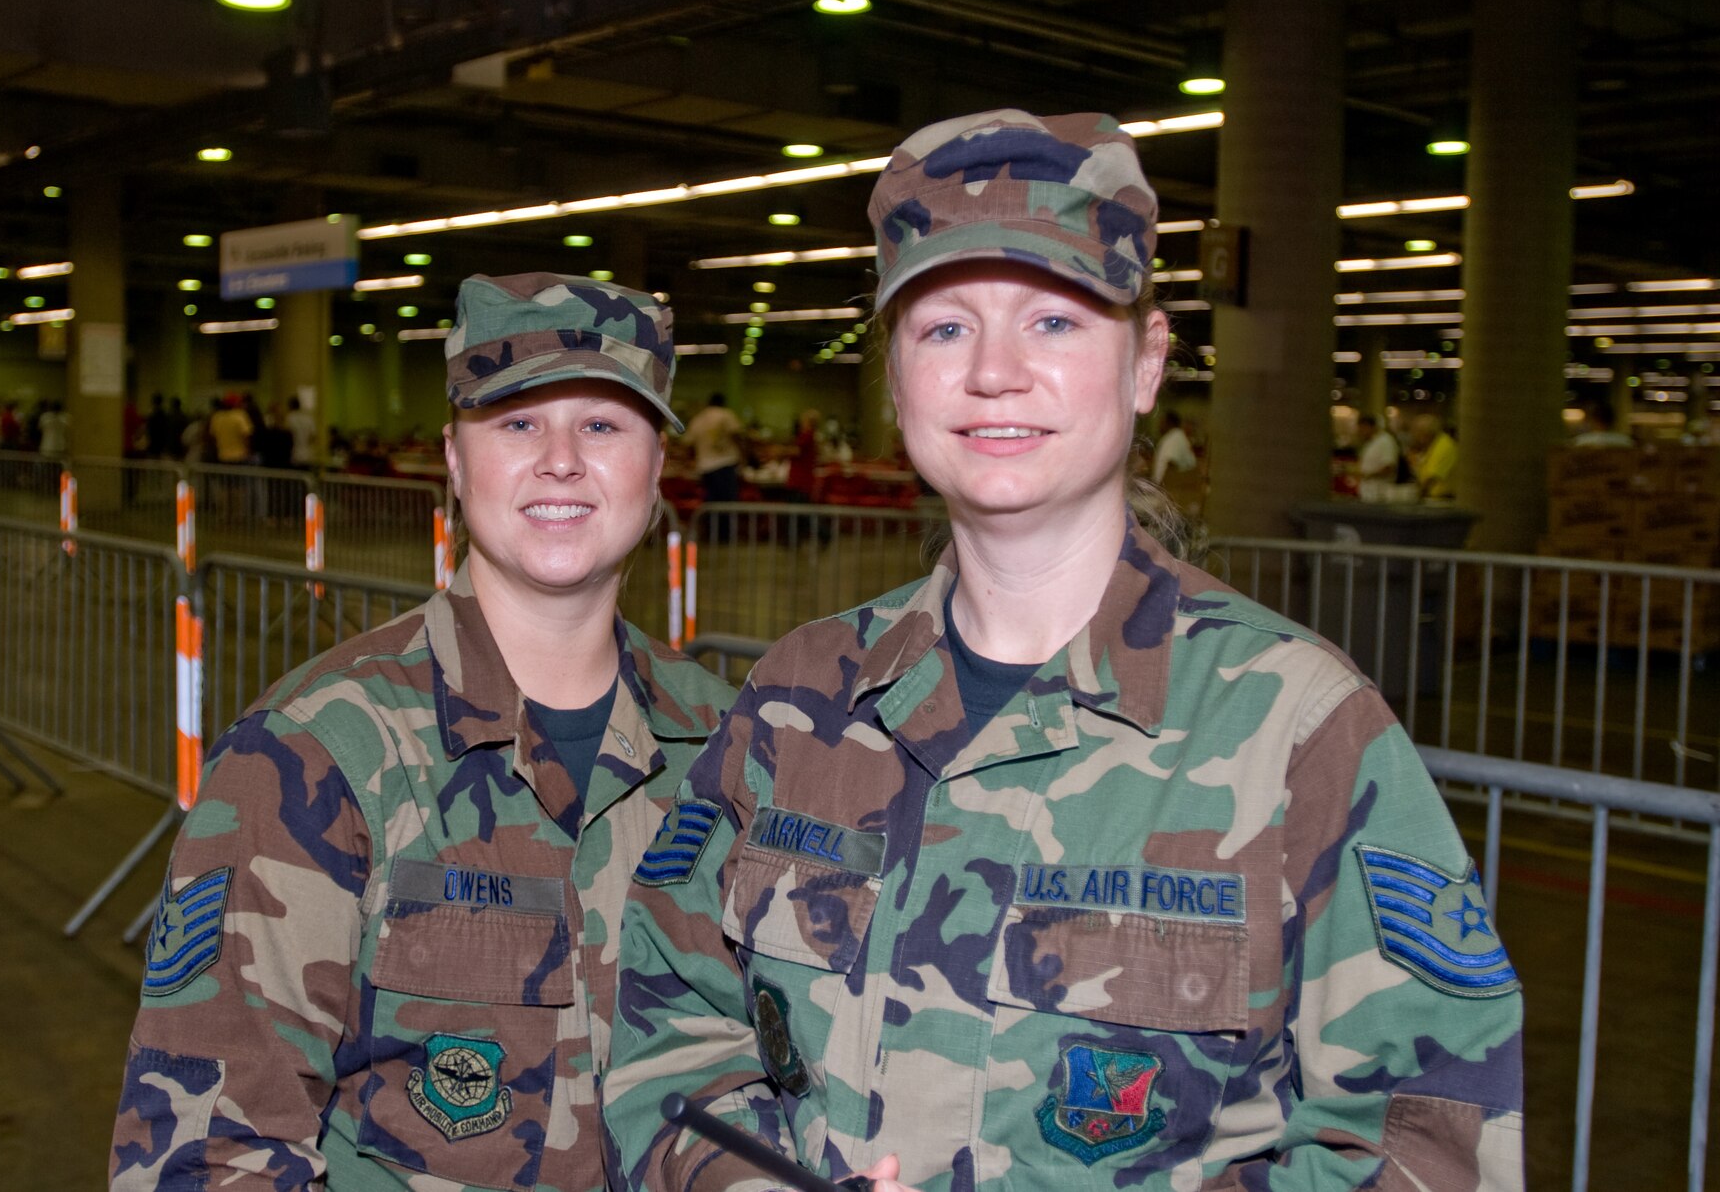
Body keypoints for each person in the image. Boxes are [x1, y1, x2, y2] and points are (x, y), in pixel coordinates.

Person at [605, 110, 1523, 1192]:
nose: (993, 371)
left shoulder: (1295, 726)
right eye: (942, 327)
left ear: (1145, 363)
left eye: (1053, 320)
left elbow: (1425, 1142)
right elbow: (671, 1027)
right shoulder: (797, 701)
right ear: (893, 378)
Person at [110, 273, 737, 1191]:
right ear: (453, 458)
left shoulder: (731, 742)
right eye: (516, 422)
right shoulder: (315, 752)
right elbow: (202, 1156)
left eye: (603, 424)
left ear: (655, 465)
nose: (560, 459)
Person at [683, 391, 745, 504]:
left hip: (705, 467)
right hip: (726, 465)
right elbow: (737, 437)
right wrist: (744, 457)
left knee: (711, 504)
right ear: (723, 403)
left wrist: (691, 461)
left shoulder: (698, 419)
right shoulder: (726, 415)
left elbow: (688, 445)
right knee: (727, 504)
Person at [1355, 411, 1403, 501]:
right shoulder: (1371, 442)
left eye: (1362, 428)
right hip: (1367, 493)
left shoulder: (1385, 441)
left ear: (1368, 426)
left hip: (1380, 493)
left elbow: (1389, 467)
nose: (1360, 432)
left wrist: (1369, 475)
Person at [1410, 414, 1459, 500]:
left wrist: (1416, 496)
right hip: (1434, 497)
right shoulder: (1434, 444)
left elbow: (1432, 478)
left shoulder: (1444, 445)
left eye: (1417, 432)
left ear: (1425, 432)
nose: (1415, 436)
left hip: (1443, 498)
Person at [1148, 407, 1195, 483]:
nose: (1159, 425)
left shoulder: (1176, 436)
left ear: (1169, 423)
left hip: (1168, 489)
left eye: (1162, 422)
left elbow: (1171, 464)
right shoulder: (1172, 436)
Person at [286, 395, 317, 469]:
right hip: (308, 454)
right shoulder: (308, 418)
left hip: (294, 454)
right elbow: (313, 436)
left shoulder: (290, 418)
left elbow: (287, 436)